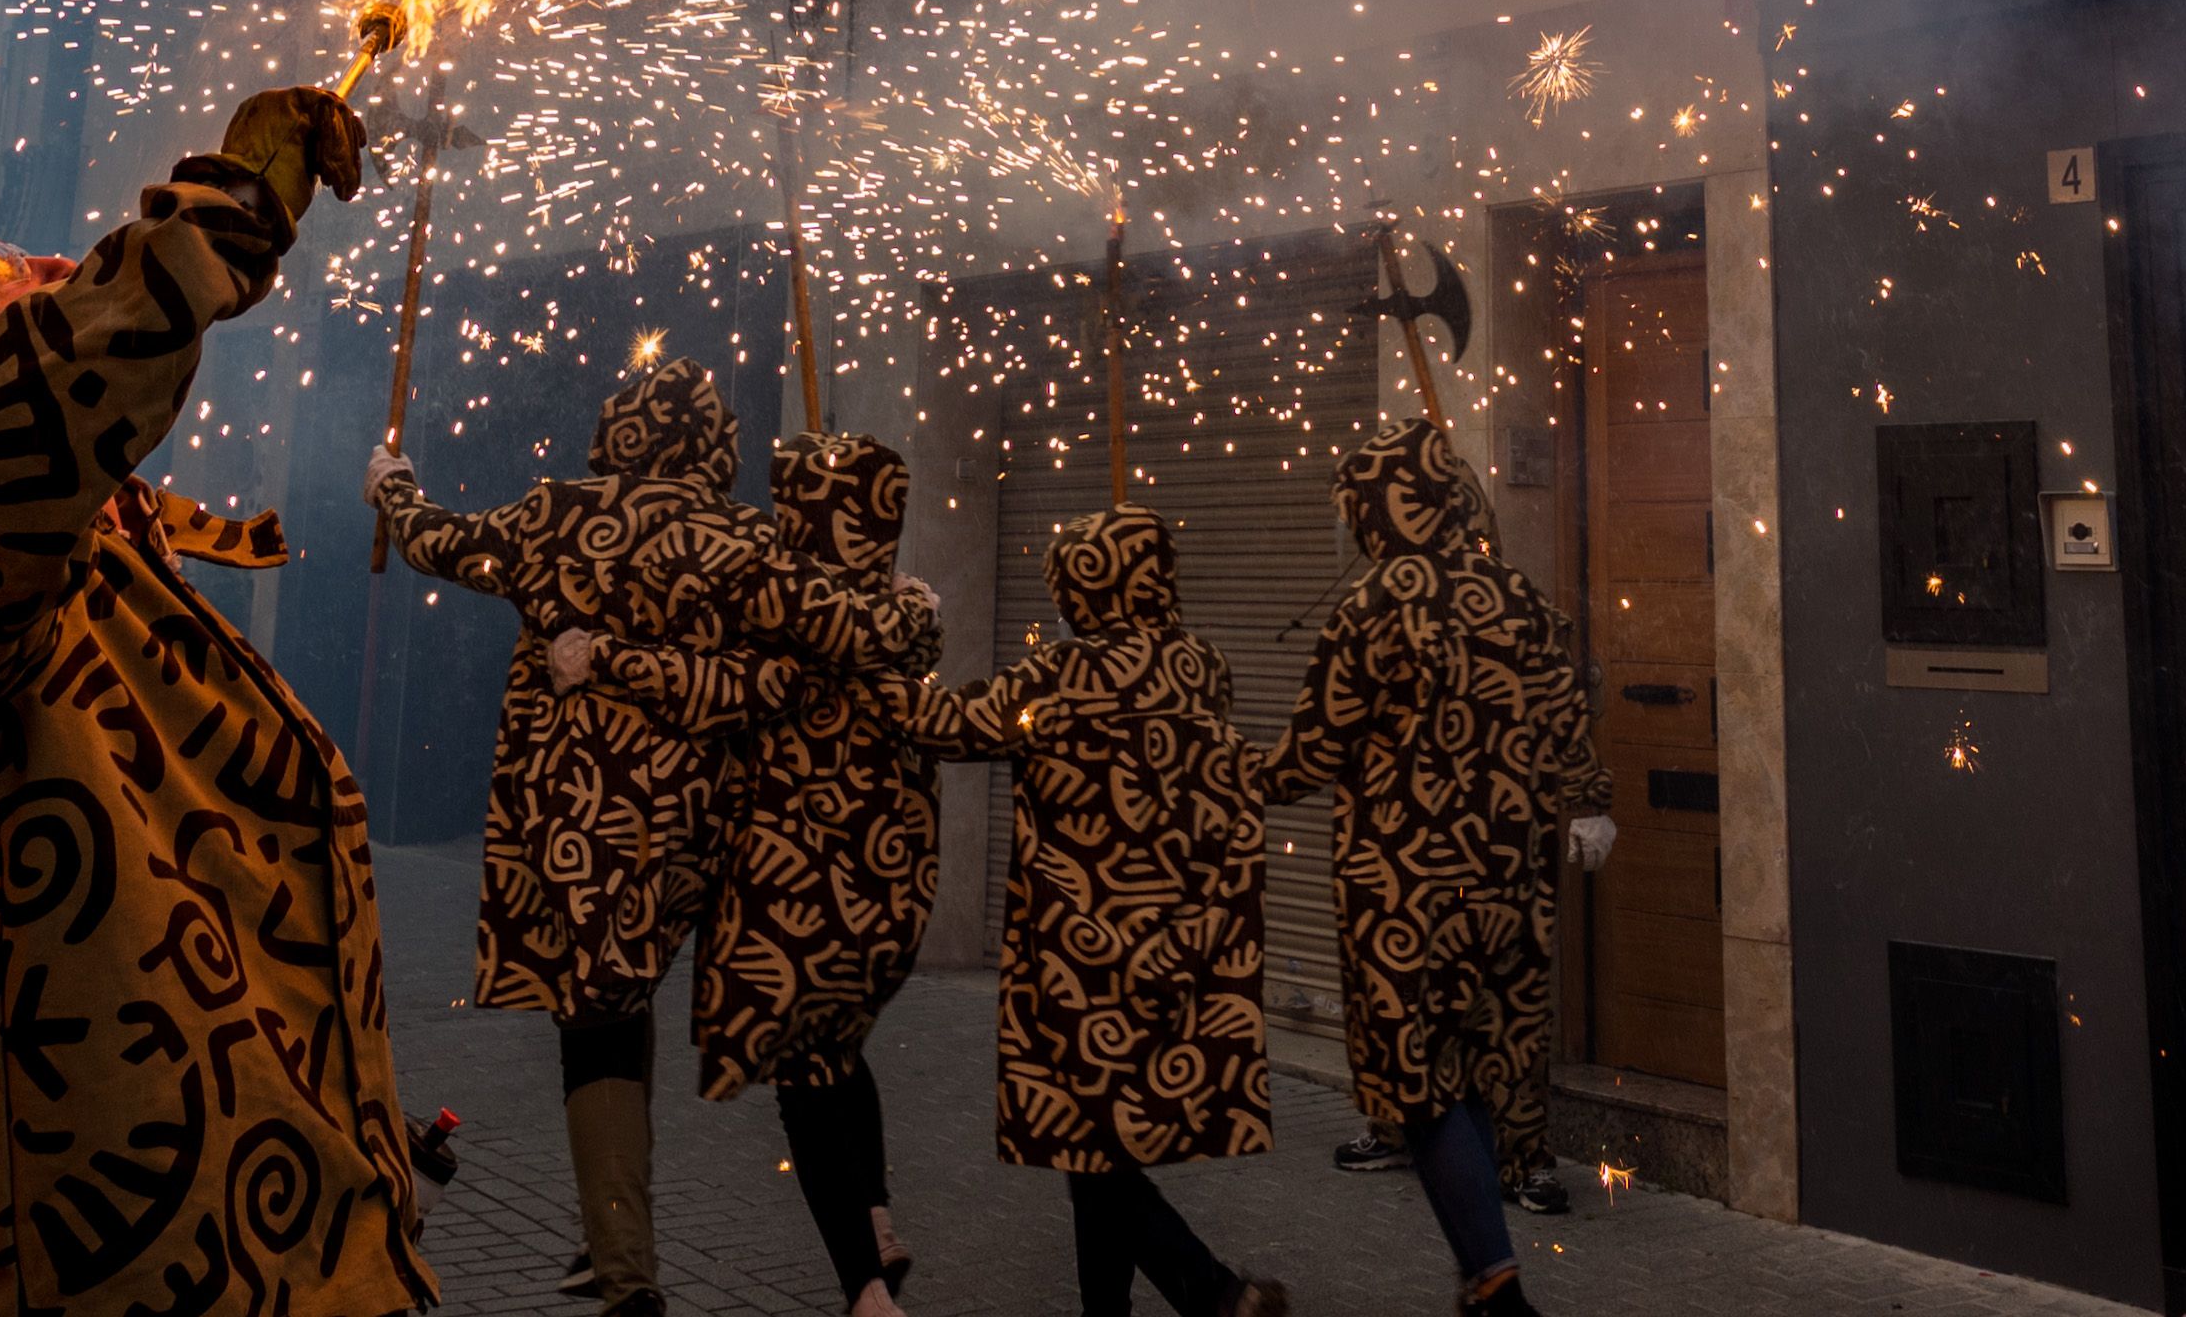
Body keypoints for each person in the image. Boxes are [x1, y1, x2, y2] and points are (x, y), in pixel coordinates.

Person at [0, 87, 437, 1317]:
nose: (60, 268)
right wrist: (194, 239)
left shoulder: (75, 568)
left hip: (267, 1219)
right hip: (103, 1264)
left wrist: (352, 1133)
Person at [366, 360, 911, 1317]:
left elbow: (440, 544)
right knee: (754, 1005)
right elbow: (818, 653)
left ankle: (626, 1270)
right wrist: (901, 604)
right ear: (717, 443)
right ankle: (856, 1251)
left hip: (582, 821)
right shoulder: (745, 537)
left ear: (617, 427)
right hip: (709, 820)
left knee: (602, 1017)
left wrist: (393, 485)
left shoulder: (555, 514)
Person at [553, 430, 948, 1317]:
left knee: (803, 1075)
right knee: (837, 1051)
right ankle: (875, 1217)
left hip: (790, 878)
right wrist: (920, 605)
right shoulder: (899, 610)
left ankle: (866, 1292)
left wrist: (602, 658)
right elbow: (895, 639)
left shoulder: (783, 594)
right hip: (887, 879)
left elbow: (725, 683)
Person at [881, 506, 1287, 1317]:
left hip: (1079, 951)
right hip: (1177, 939)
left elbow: (946, 726)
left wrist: (891, 649)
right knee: (1093, 1144)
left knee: (1087, 1141)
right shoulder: (1203, 664)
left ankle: (1215, 1293)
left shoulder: (1057, 678)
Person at [1251, 420, 1614, 1317]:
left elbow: (1307, 757)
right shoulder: (1516, 594)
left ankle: (1495, 1284)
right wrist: (1592, 799)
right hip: (1508, 882)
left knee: (1416, 1080)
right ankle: (1485, 1264)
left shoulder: (1373, 606)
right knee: (1485, 1064)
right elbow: (1570, 707)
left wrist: (1218, 766)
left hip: (1403, 889)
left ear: (1376, 512)